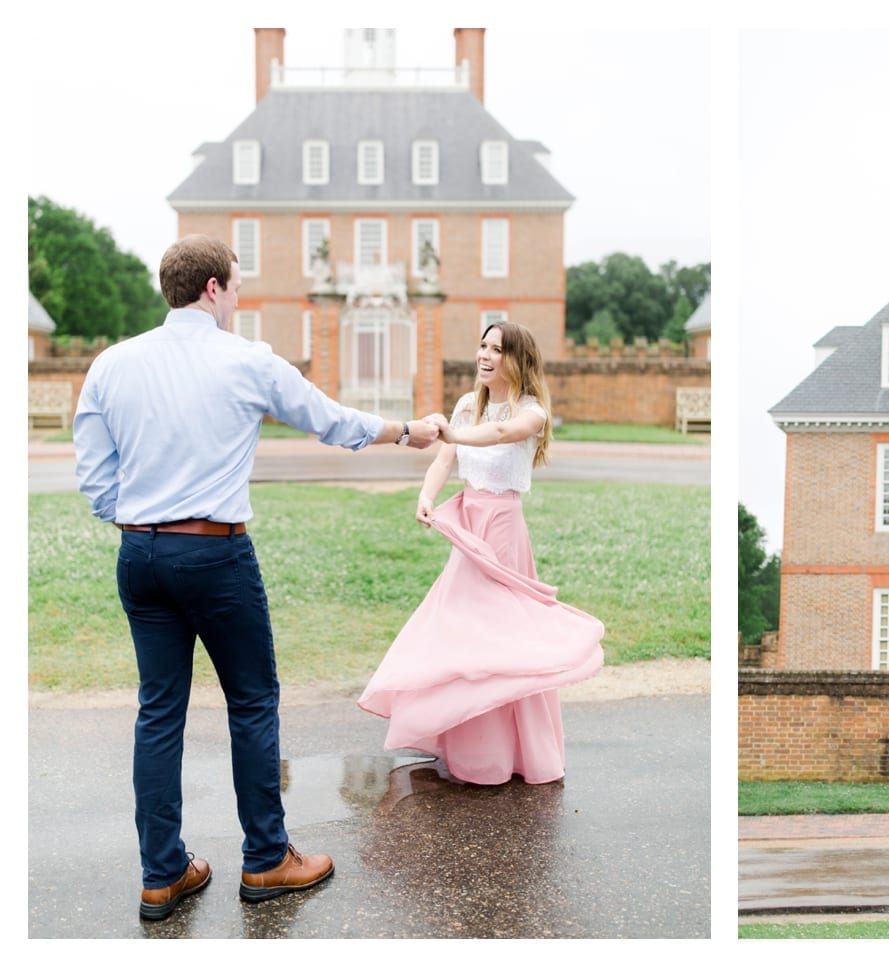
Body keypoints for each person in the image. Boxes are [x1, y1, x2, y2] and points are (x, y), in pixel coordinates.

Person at [73, 234, 445, 921]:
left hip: (141, 556)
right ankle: (267, 859)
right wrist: (406, 430)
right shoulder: (246, 360)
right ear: (213, 288)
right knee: (250, 700)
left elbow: (94, 475)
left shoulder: (112, 365)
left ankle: (162, 874)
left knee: (159, 710)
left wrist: (135, 520)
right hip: (214, 555)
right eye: (237, 287)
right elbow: (329, 421)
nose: (239, 299)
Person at [358, 320, 605, 785]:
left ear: (517, 360)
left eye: (497, 348)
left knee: (502, 635)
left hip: (503, 529)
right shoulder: (468, 405)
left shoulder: (532, 412)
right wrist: (426, 496)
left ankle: (512, 752)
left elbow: (497, 436)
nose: (485, 355)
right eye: (483, 345)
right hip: (468, 523)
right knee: (459, 627)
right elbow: (445, 459)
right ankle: (467, 744)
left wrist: (453, 434)